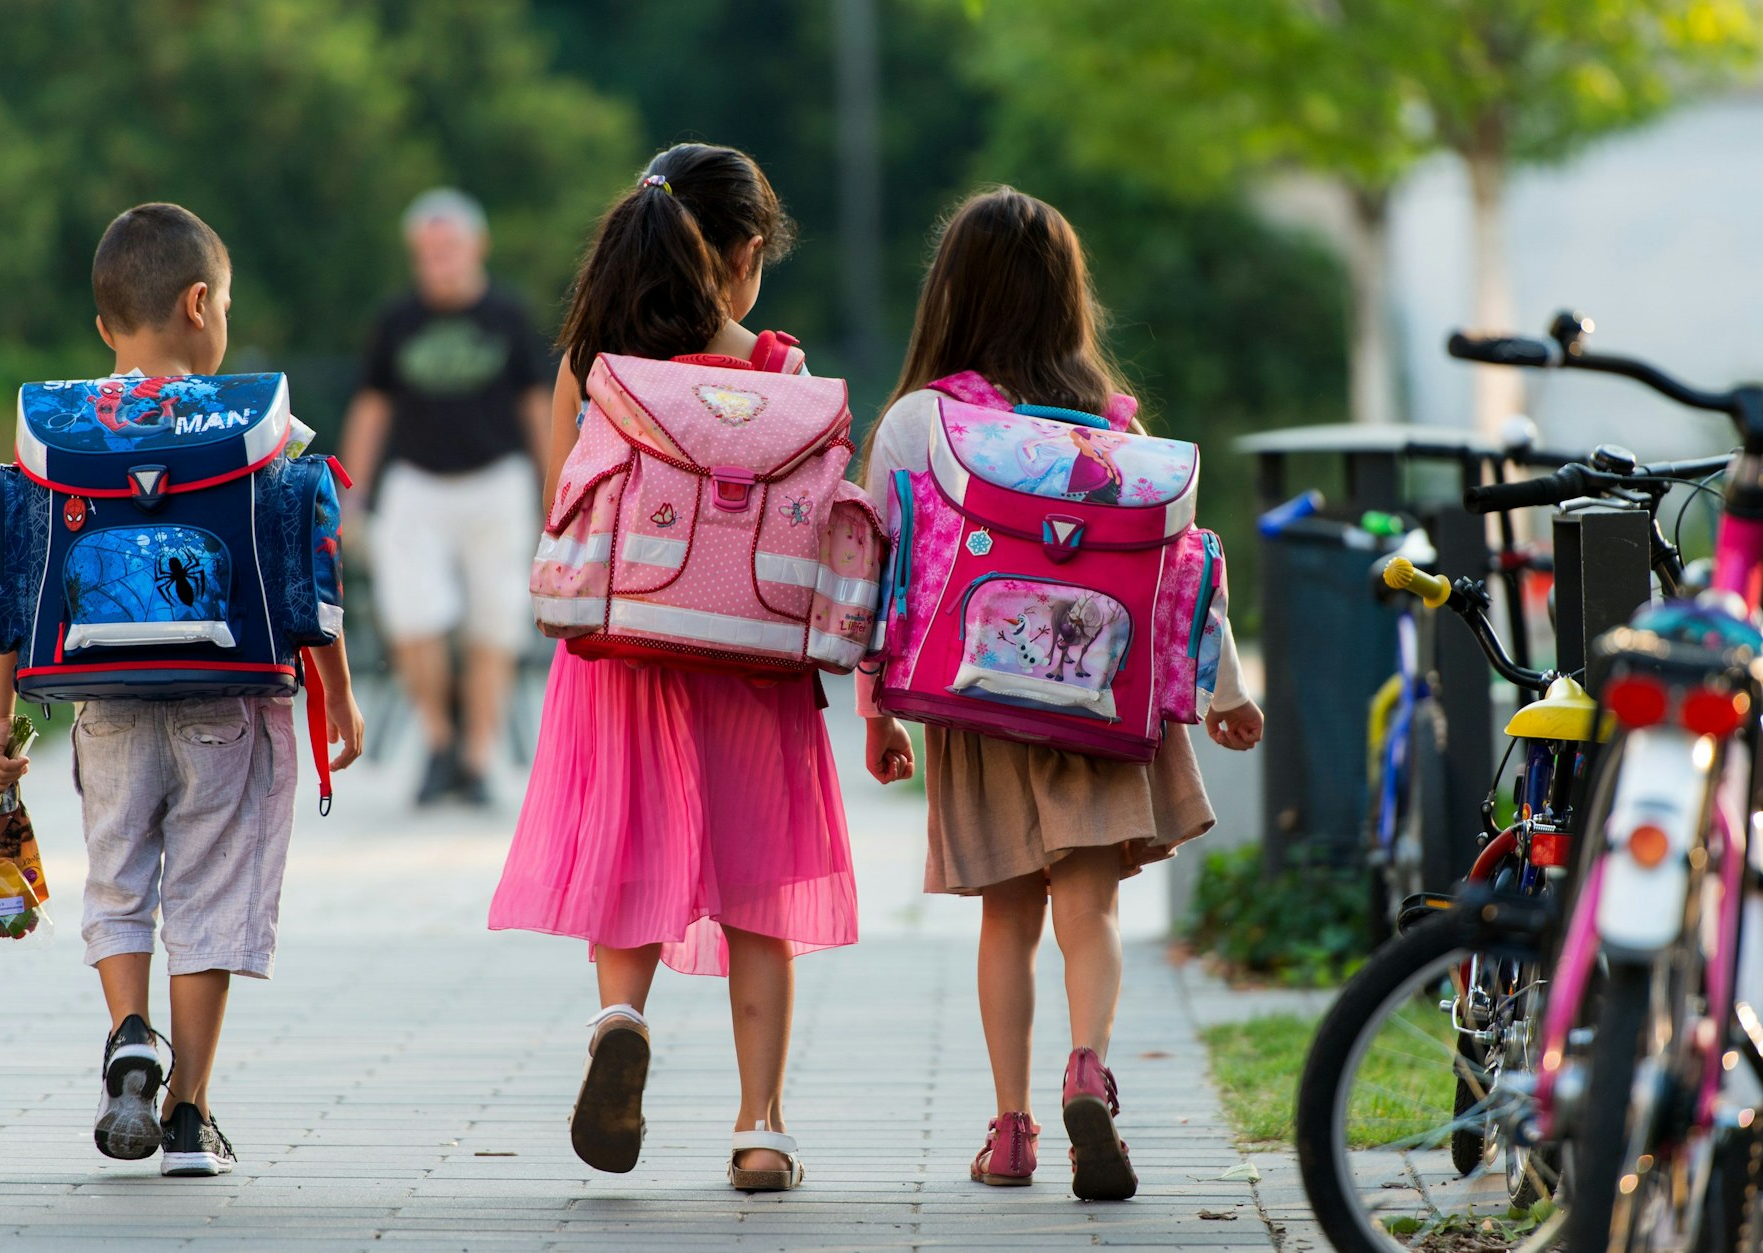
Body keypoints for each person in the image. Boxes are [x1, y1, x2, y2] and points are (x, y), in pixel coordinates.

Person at [856, 187, 1264, 1201]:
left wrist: (876, 707)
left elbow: (876, 570)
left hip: (975, 697)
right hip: (1095, 699)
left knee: (1006, 919)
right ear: (1066, 300)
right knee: (1090, 911)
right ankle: (1088, 1062)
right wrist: (1225, 687)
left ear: (948, 295)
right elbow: (1178, 576)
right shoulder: (1112, 431)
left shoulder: (919, 423)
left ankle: (1009, 1130)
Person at [489, 144, 855, 1193]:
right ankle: (759, 1127)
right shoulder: (780, 372)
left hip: (620, 656)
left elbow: (568, 503)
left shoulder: (592, 366)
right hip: (753, 664)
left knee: (628, 857)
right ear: (742, 254)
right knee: (759, 894)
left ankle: (619, 1017)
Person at [0, 203, 366, 1177]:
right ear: (201, 304)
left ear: (104, 326)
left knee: (119, 877)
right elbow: (307, 578)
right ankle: (190, 1113)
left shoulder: (56, 430)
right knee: (209, 890)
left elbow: (13, 578)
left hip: (102, 695)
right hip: (227, 698)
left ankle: (129, 1032)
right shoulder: (256, 425)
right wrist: (339, 700)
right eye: (223, 301)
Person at [340, 189, 552, 806]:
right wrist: (354, 496)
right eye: (426, 253)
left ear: (475, 247)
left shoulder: (509, 316)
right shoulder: (396, 320)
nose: (438, 263)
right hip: (417, 484)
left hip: (497, 481)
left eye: (448, 249)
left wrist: (554, 492)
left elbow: (537, 408)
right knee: (412, 617)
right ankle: (437, 740)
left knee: (496, 619)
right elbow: (372, 407)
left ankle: (479, 754)